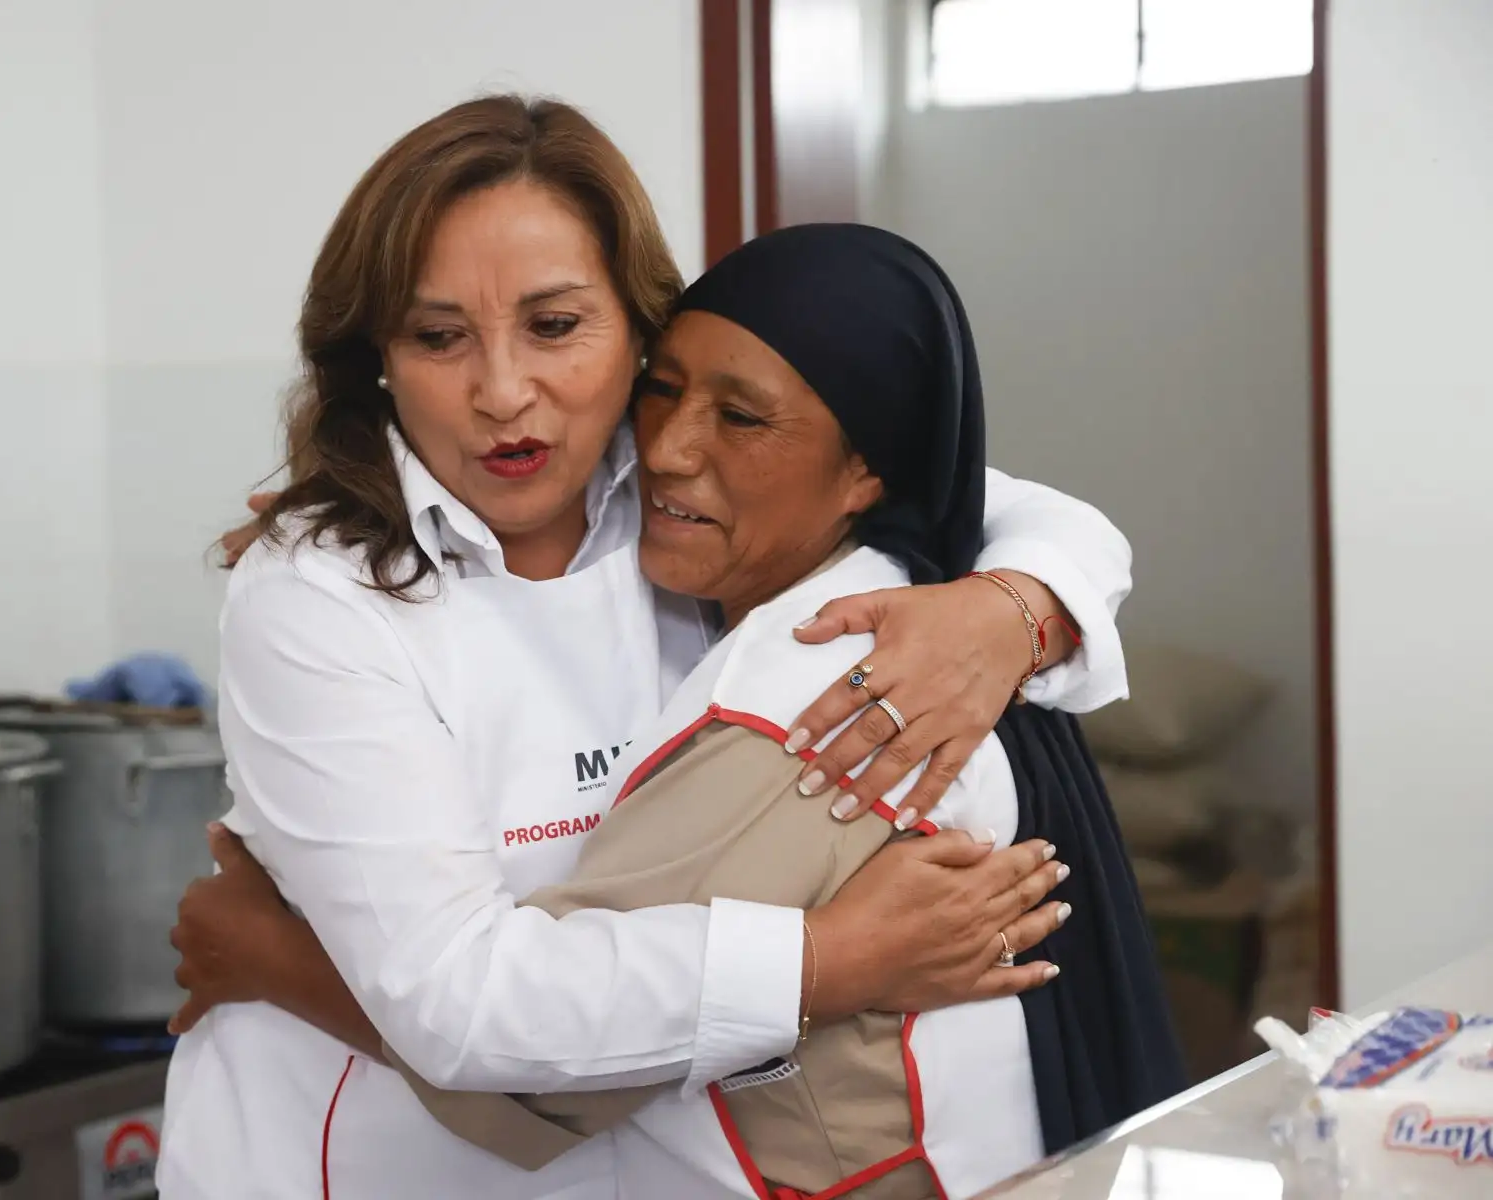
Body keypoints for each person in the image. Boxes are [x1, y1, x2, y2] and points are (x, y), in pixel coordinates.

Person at [156, 96, 1134, 1200]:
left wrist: (1009, 611)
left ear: (638, 328)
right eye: (439, 338)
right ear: (375, 357)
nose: (502, 393)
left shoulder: (676, 491)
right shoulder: (318, 593)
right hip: (359, 1163)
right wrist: (834, 959)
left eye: (556, 326)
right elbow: (460, 1009)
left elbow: (1014, 504)